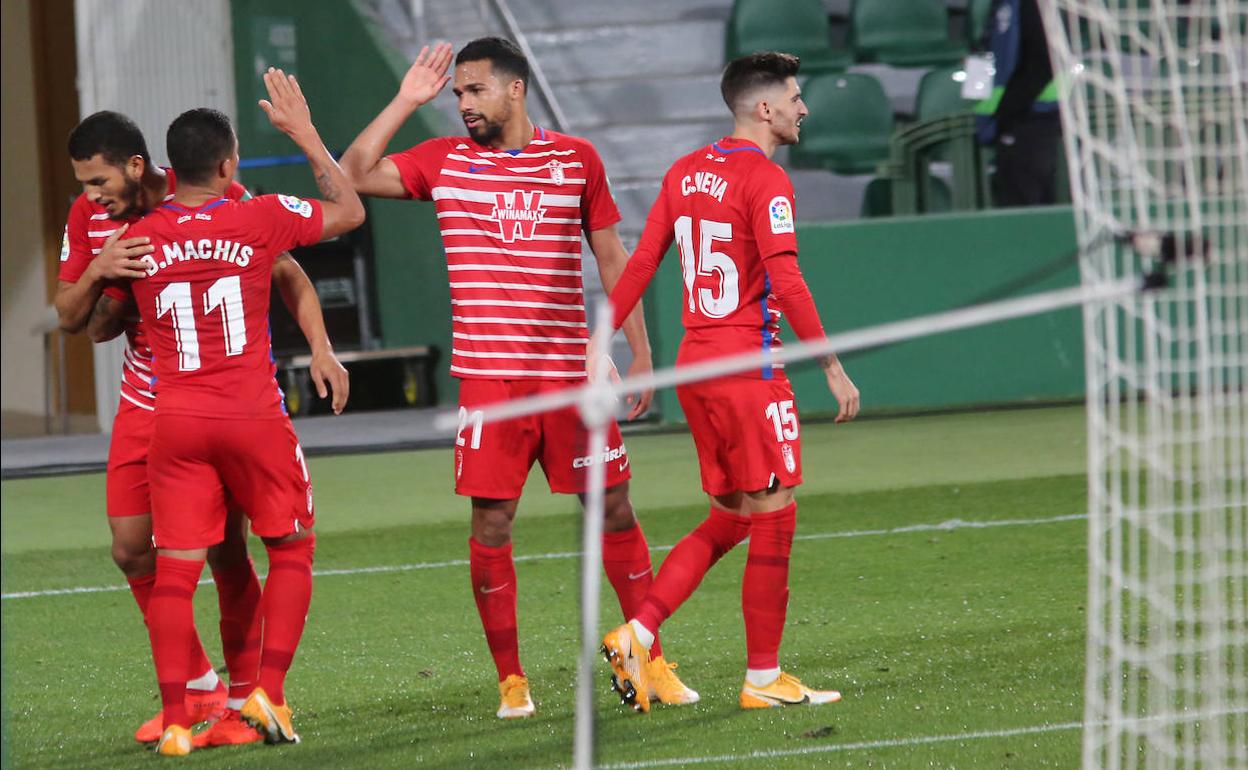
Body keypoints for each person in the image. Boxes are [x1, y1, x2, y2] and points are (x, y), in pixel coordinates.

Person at [340, 37, 697, 718]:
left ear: (514, 89)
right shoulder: (442, 161)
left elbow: (613, 256)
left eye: (474, 90)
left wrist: (641, 350)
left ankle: (649, 659)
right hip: (490, 382)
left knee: (615, 508)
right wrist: (406, 100)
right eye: (456, 95)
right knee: (493, 523)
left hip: (570, 380)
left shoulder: (576, 160)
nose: (463, 104)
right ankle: (513, 682)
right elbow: (353, 172)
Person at [56, 110, 349, 746]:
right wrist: (103, 268)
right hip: (152, 403)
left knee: (223, 550)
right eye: (83, 185)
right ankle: (199, 689)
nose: (91, 196)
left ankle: (239, 695)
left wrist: (321, 347)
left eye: (98, 181)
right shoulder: (96, 221)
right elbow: (74, 317)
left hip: (191, 405)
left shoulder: (219, 206)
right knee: (133, 548)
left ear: (139, 167)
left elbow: (288, 273)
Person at [598, 51, 860, 713]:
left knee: (733, 517)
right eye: (795, 97)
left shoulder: (683, 172)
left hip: (698, 369)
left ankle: (639, 631)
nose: (804, 108)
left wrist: (600, 337)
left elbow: (638, 265)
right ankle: (764, 679)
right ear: (765, 108)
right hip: (749, 370)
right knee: (776, 516)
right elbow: (788, 279)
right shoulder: (766, 180)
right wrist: (830, 364)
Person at [123, 70, 364, 755]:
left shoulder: (140, 239)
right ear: (229, 166)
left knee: (176, 570)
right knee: (290, 547)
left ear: (173, 172)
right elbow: (348, 211)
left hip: (175, 424)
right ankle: (270, 693)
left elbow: (99, 315)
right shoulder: (256, 216)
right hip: (250, 415)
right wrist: (304, 133)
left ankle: (176, 721)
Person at [974, 0, 1061, 206]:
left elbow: (1042, 65)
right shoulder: (1003, 5)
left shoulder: (1034, 6)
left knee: (1028, 212)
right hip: (1009, 122)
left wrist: (1004, 113)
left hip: (1030, 122)